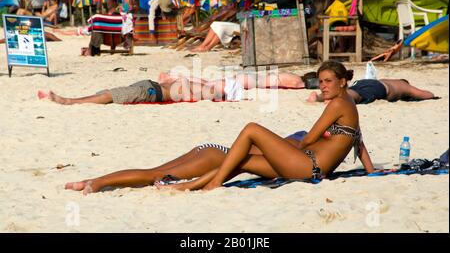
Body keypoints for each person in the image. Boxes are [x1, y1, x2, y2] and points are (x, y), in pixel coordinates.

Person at [65, 61, 375, 194]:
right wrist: (371, 172)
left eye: (328, 82)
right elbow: (357, 143)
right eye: (320, 82)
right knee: (222, 161)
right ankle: (97, 182)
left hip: (308, 167)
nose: (322, 87)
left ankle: (96, 181)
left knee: (250, 131)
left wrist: (290, 144)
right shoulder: (347, 107)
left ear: (343, 82)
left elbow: (307, 139)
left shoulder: (338, 104)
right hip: (300, 164)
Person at [39, 70, 310, 106]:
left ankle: (69, 101)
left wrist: (228, 99)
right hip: (150, 86)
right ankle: (75, 100)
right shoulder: (201, 87)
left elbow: (214, 93)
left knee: (112, 96)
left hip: (151, 92)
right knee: (110, 91)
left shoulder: (205, 92)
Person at [307, 78, 437, 104]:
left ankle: (319, 97)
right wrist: (431, 95)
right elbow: (425, 94)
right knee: (358, 96)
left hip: (364, 81)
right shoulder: (404, 86)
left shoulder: (390, 80)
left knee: (353, 90)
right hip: (379, 88)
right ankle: (342, 99)